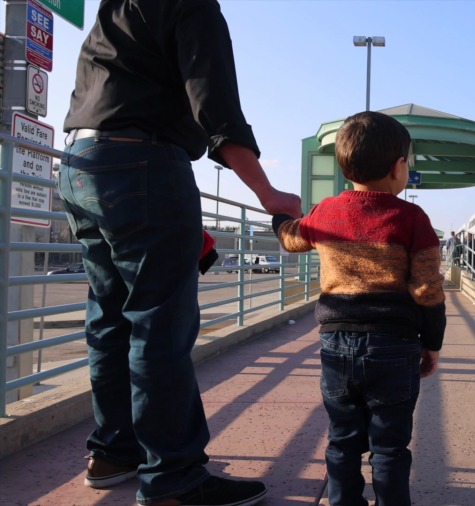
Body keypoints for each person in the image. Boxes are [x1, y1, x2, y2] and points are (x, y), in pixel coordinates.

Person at [60, 2, 301, 505]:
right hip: (143, 161)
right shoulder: (190, 3)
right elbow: (215, 106)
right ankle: (173, 478)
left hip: (80, 162)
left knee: (109, 319)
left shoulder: (117, 6)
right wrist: (267, 194)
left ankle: (114, 451)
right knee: (159, 326)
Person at [273, 111, 446, 506]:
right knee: (389, 446)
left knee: (343, 440)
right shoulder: (413, 218)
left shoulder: (326, 212)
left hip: (335, 343)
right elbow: (427, 289)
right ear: (399, 166)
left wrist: (280, 215)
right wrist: (432, 342)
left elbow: (290, 238)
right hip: (394, 344)